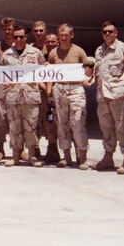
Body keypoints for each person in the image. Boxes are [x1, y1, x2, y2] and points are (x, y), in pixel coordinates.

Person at [88, 21, 124, 174]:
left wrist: (123, 87)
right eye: (104, 32)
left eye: (110, 31)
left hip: (119, 96)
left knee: (122, 127)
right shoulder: (99, 51)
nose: (107, 34)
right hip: (103, 96)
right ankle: (108, 157)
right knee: (106, 127)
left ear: (116, 32)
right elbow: (98, 73)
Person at [0, 24, 47, 168]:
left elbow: (43, 72)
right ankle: (15, 156)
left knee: (31, 126)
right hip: (13, 97)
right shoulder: (6, 55)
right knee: (14, 127)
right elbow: (0, 74)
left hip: (30, 96)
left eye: (21, 36)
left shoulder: (35, 53)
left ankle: (32, 155)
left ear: (26, 37)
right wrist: (4, 82)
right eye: (16, 37)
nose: (19, 39)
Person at [47, 23, 91, 170]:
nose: (64, 37)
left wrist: (87, 77)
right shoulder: (53, 53)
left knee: (78, 123)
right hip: (59, 90)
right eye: (61, 35)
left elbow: (88, 70)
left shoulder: (79, 51)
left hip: (76, 89)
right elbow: (50, 74)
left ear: (71, 35)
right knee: (61, 124)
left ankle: (82, 157)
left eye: (66, 35)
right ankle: (66, 157)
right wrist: (49, 92)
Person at [31, 20, 59, 164]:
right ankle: (35, 149)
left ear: (45, 31)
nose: (39, 33)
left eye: (41, 30)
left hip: (49, 97)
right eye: (36, 31)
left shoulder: (53, 48)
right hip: (34, 94)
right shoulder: (30, 49)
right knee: (35, 122)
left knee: (49, 120)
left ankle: (52, 147)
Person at [0, 16, 16, 161]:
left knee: (17, 117)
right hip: (2, 88)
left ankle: (18, 148)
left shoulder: (21, 44)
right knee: (1, 117)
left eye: (10, 29)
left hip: (18, 87)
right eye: (5, 29)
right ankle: (0, 147)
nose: (8, 31)